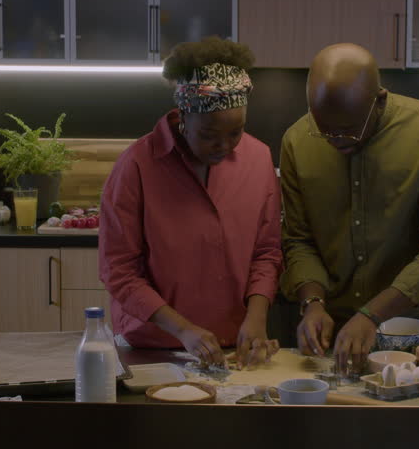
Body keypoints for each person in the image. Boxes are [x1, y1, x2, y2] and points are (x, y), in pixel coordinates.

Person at [280, 43, 419, 374]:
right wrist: (312, 304)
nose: (336, 139)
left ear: (379, 99)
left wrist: (372, 315)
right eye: (325, 129)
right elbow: (299, 239)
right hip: (335, 341)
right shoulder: (297, 141)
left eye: (349, 129)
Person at [99, 37, 282, 367]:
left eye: (235, 132)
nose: (223, 145)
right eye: (209, 134)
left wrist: (256, 317)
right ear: (183, 115)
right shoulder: (137, 166)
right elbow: (119, 271)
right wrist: (183, 329)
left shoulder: (259, 158)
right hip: (153, 347)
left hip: (232, 347)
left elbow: (266, 252)